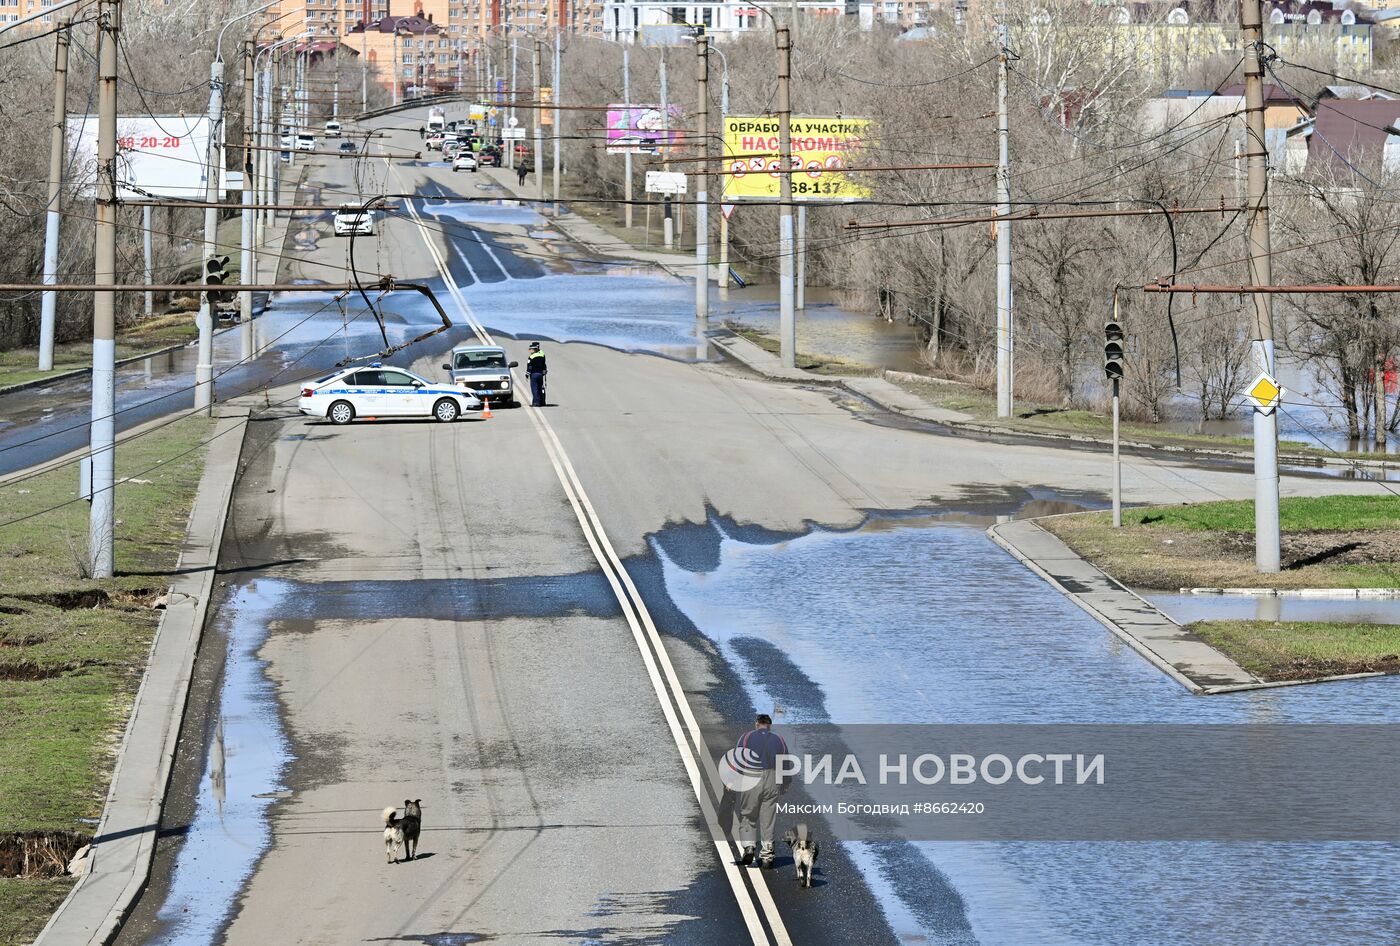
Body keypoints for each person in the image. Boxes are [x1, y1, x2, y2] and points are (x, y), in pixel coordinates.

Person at [736, 713, 788, 868]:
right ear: (770, 726)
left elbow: (738, 758)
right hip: (772, 779)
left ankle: (749, 846)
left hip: (751, 776)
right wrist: (784, 783)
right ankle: (767, 855)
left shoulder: (746, 737)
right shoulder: (779, 739)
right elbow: (785, 763)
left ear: (756, 724)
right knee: (768, 819)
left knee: (748, 815)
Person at [526, 341, 547, 407]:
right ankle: (542, 402)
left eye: (530, 349)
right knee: (540, 387)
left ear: (534, 349)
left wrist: (527, 375)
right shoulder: (542, 354)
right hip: (540, 374)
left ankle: (536, 403)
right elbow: (544, 364)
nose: (529, 350)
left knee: (534, 389)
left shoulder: (531, 357)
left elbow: (529, 367)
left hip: (534, 374)